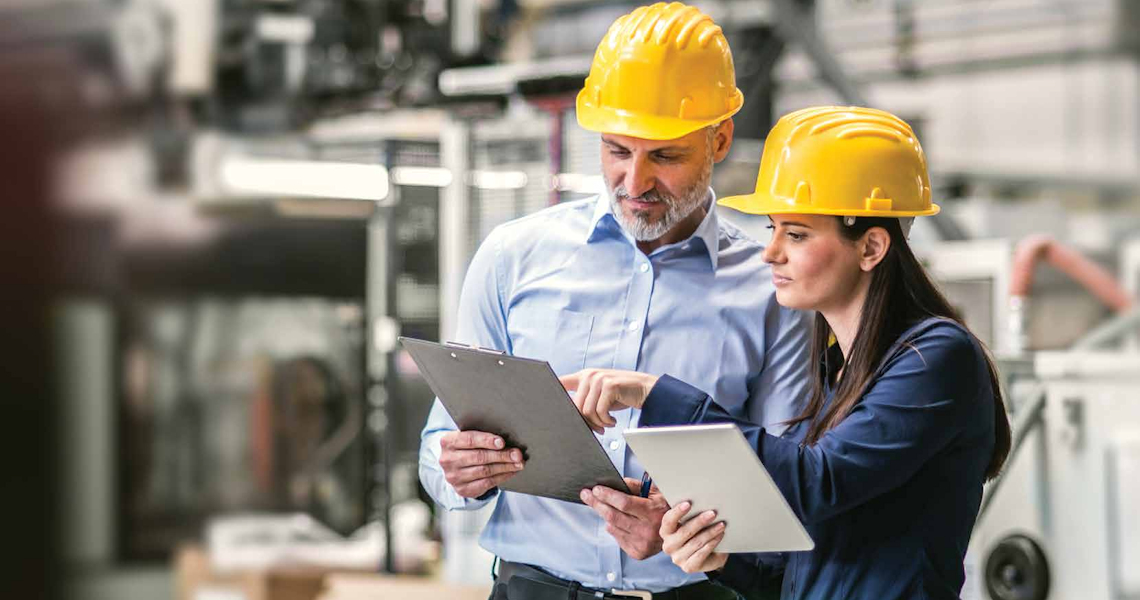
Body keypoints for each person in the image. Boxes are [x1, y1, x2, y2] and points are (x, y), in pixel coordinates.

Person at [418, 3, 813, 598]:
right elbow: (437, 451)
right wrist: (461, 474)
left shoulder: (773, 284)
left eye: (665, 156)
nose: (634, 183)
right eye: (616, 151)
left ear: (720, 139)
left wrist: (691, 528)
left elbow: (789, 481)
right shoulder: (513, 257)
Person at [560, 106, 1013, 600]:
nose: (770, 252)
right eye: (773, 228)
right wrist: (723, 559)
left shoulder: (937, 358)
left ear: (871, 248)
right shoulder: (839, 374)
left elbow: (817, 482)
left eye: (795, 234)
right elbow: (800, 573)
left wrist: (653, 392)